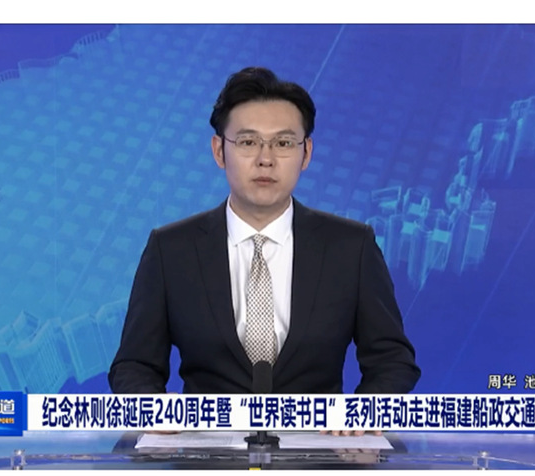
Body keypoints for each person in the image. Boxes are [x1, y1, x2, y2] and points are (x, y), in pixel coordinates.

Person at [109, 67, 420, 400]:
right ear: (219, 150)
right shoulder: (171, 250)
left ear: (306, 153)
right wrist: (155, 407)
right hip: (208, 433)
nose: (266, 159)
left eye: (283, 143)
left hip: (317, 433)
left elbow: (393, 361)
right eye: (248, 142)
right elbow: (134, 366)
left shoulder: (351, 248)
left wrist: (356, 415)